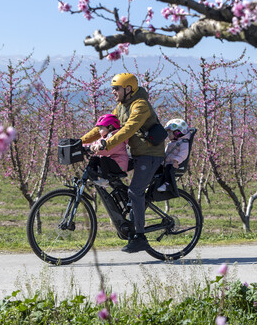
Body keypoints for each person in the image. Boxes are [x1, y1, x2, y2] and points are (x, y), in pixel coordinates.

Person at [81, 73, 165, 253]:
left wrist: (106, 143)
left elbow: (128, 129)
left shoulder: (140, 105)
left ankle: (140, 236)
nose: (113, 92)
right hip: (136, 154)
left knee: (135, 192)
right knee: (112, 175)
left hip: (149, 155)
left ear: (128, 89)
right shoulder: (121, 107)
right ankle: (129, 216)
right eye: (112, 88)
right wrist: (80, 141)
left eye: (116, 88)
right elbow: (104, 127)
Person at [85, 114, 129, 188]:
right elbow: (96, 143)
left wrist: (97, 148)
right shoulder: (105, 137)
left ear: (110, 127)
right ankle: (92, 177)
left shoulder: (117, 138)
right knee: (94, 159)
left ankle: (105, 180)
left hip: (119, 166)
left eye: (101, 127)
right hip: (110, 164)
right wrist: (88, 147)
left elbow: (107, 151)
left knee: (104, 158)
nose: (99, 130)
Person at [157, 119, 191, 193]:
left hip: (174, 164)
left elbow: (184, 153)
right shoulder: (171, 143)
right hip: (167, 162)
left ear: (177, 133)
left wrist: (176, 160)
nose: (168, 135)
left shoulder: (183, 143)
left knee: (169, 169)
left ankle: (168, 184)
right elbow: (166, 153)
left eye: (170, 133)